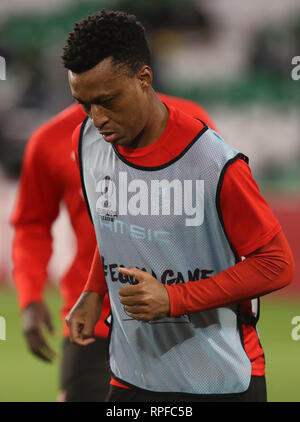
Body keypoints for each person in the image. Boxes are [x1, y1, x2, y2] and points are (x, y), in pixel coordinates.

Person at [62, 10, 294, 402]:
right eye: (84, 104)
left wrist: (175, 299)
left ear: (144, 78)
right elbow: (115, 225)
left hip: (220, 379)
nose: (97, 118)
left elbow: (276, 264)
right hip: (132, 377)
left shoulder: (214, 163)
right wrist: (93, 292)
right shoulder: (85, 143)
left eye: (107, 101)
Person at [11, 94, 215, 400]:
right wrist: (29, 296)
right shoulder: (51, 140)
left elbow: (216, 216)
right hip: (93, 322)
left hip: (180, 317)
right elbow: (32, 225)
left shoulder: (191, 121)